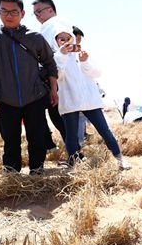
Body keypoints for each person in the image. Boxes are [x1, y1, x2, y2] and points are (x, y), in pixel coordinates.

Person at [0, 0, 58, 174]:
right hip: (6, 100)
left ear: (22, 13)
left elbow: (50, 64)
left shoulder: (35, 37)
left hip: (35, 97)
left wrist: (54, 90)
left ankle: (37, 171)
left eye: (14, 11)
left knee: (36, 138)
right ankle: (12, 175)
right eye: (3, 10)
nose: (9, 15)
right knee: (10, 140)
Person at [51, 23, 130, 170]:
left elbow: (96, 73)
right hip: (70, 101)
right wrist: (61, 55)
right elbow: (57, 75)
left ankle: (120, 160)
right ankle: (73, 166)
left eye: (67, 38)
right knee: (71, 136)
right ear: (55, 41)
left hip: (90, 101)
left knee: (105, 131)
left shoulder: (83, 54)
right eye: (60, 39)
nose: (64, 41)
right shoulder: (56, 56)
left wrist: (85, 62)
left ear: (72, 39)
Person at [31, 0, 67, 148]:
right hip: (59, 77)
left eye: (39, 11)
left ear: (50, 10)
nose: (37, 16)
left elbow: (47, 55)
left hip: (54, 78)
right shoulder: (62, 24)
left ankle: (74, 152)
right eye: (34, 14)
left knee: (56, 115)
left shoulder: (50, 25)